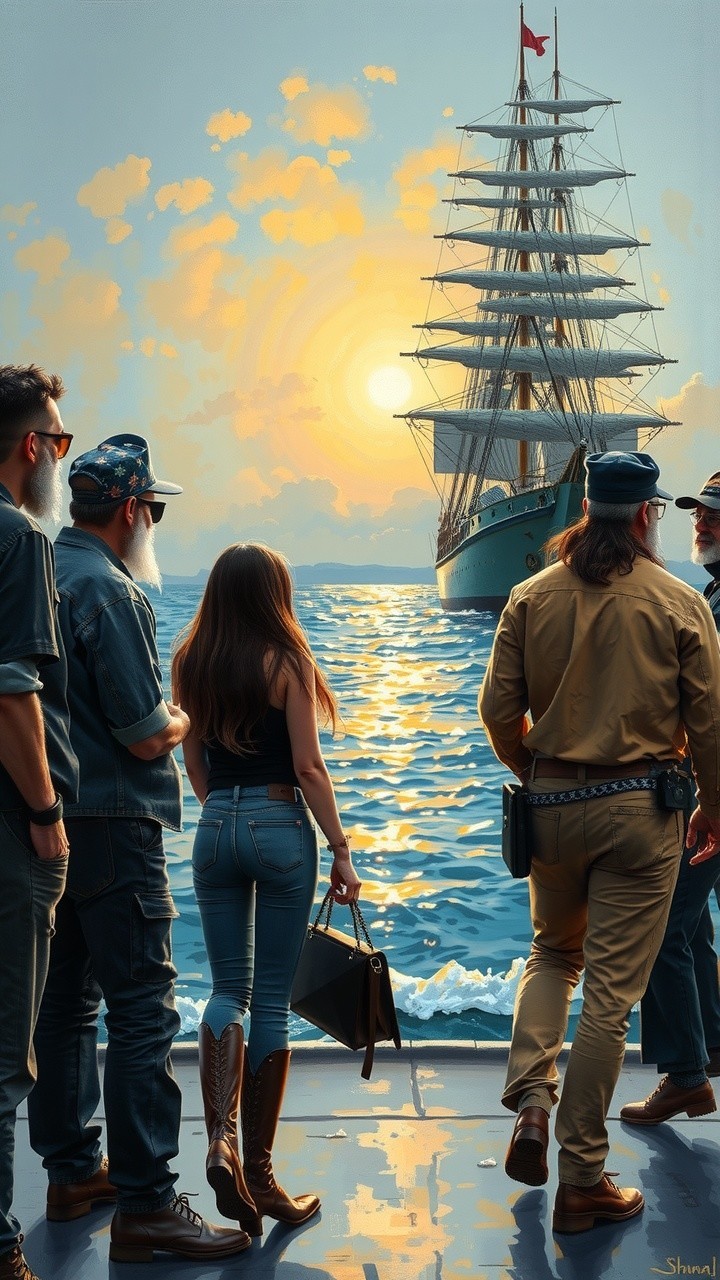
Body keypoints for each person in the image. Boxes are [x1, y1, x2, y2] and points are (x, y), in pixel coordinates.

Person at [478, 451, 720, 1235]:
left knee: (552, 955)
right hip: (641, 812)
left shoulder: (527, 596)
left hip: (550, 805)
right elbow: (710, 725)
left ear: (584, 509)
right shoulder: (682, 602)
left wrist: (537, 769)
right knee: (611, 995)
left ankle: (533, 1103)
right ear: (648, 514)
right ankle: (583, 1176)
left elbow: (496, 709)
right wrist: (712, 805)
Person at [26, 435, 250, 1263]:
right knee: (144, 1008)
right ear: (129, 511)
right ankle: (150, 1203)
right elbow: (144, 732)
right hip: (117, 825)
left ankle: (73, 1172)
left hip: (46, 823)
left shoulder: (38, 568)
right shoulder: (110, 591)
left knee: (65, 1005)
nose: (152, 523)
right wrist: (188, 712)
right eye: (153, 510)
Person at [172, 542, 361, 1238]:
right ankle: (261, 1173)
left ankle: (218, 1144)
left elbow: (192, 759)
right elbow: (309, 768)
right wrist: (341, 850)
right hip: (281, 826)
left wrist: (223, 810)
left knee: (228, 991)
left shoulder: (190, 662)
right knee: (274, 1006)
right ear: (274, 595)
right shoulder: (288, 662)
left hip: (213, 826)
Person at [0, 365, 78, 1280]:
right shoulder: (19, 539)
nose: (58, 456)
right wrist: (46, 812)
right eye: (56, 441)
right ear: (31, 447)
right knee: (6, 1049)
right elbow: (14, 693)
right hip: (9, 832)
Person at [621, 472, 720, 1126]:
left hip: (714, 799)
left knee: (658, 927)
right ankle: (703, 1051)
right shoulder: (710, 594)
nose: (702, 523)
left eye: (715, 516)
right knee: (689, 926)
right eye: (698, 513)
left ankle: (687, 1074)